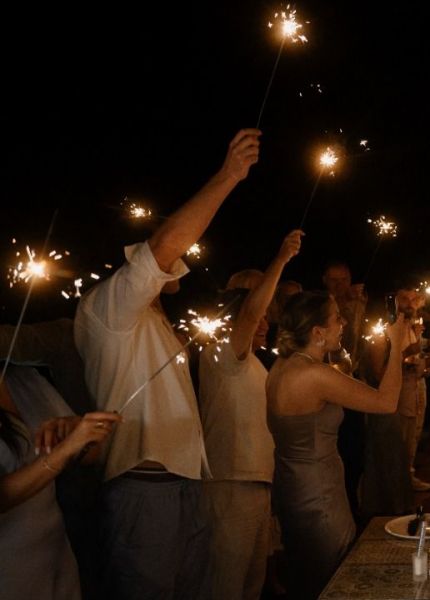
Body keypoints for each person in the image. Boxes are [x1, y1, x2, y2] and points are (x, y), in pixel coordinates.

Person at [74, 128, 260, 600]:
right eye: (161, 258)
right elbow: (164, 247)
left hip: (182, 481)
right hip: (143, 488)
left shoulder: (153, 323)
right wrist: (229, 176)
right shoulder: (108, 306)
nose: (177, 263)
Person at [266, 291, 408, 600]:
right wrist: (397, 346)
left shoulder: (283, 367)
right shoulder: (313, 375)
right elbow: (386, 402)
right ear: (317, 332)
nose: (343, 323)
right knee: (330, 575)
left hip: (294, 486)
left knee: (306, 573)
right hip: (318, 495)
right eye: (336, 319)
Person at [199, 230, 301, 600]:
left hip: (257, 483)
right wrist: (281, 259)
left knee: (251, 585)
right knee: (225, 585)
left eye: (266, 317)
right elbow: (248, 314)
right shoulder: (221, 352)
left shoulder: (256, 364)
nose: (264, 322)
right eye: (257, 314)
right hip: (230, 483)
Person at [1, 365, 120, 600]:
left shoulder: (26, 380)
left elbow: (88, 455)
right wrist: (65, 450)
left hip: (56, 556)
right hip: (9, 570)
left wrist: (78, 431)